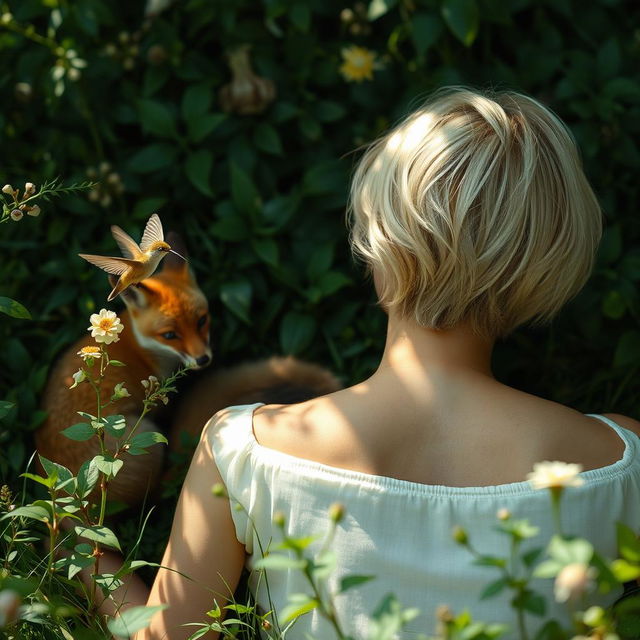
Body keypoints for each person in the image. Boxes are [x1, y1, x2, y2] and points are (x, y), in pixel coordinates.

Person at [111, 87, 640, 639]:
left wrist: (82, 556)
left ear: (379, 240)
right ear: (550, 260)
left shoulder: (246, 449)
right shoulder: (618, 460)